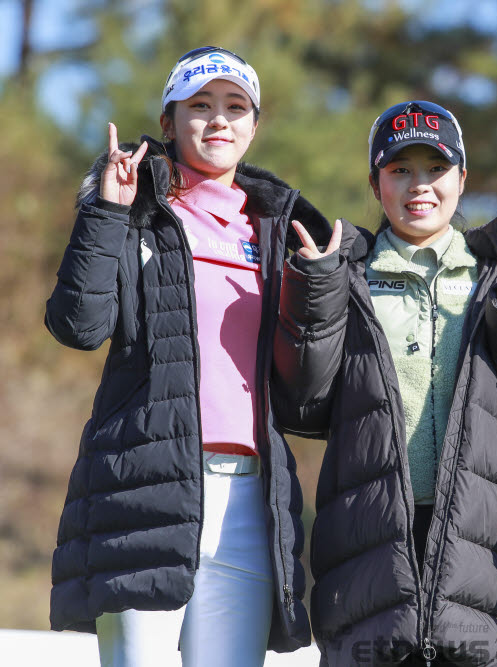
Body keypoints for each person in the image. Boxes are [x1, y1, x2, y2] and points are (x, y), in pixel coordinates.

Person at [44, 46, 332, 666]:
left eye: (235, 107)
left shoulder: (280, 230)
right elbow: (78, 325)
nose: (218, 120)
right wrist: (107, 213)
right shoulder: (135, 210)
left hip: (249, 503)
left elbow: (308, 387)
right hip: (145, 489)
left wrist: (321, 288)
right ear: (169, 120)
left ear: (255, 127)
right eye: (199, 106)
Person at [272, 100, 497, 665]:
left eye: (435, 168)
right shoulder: (342, 275)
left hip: (486, 543)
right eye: (400, 170)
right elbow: (305, 406)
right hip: (370, 542)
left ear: (463, 178)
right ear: (376, 185)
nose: (418, 185)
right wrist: (315, 296)